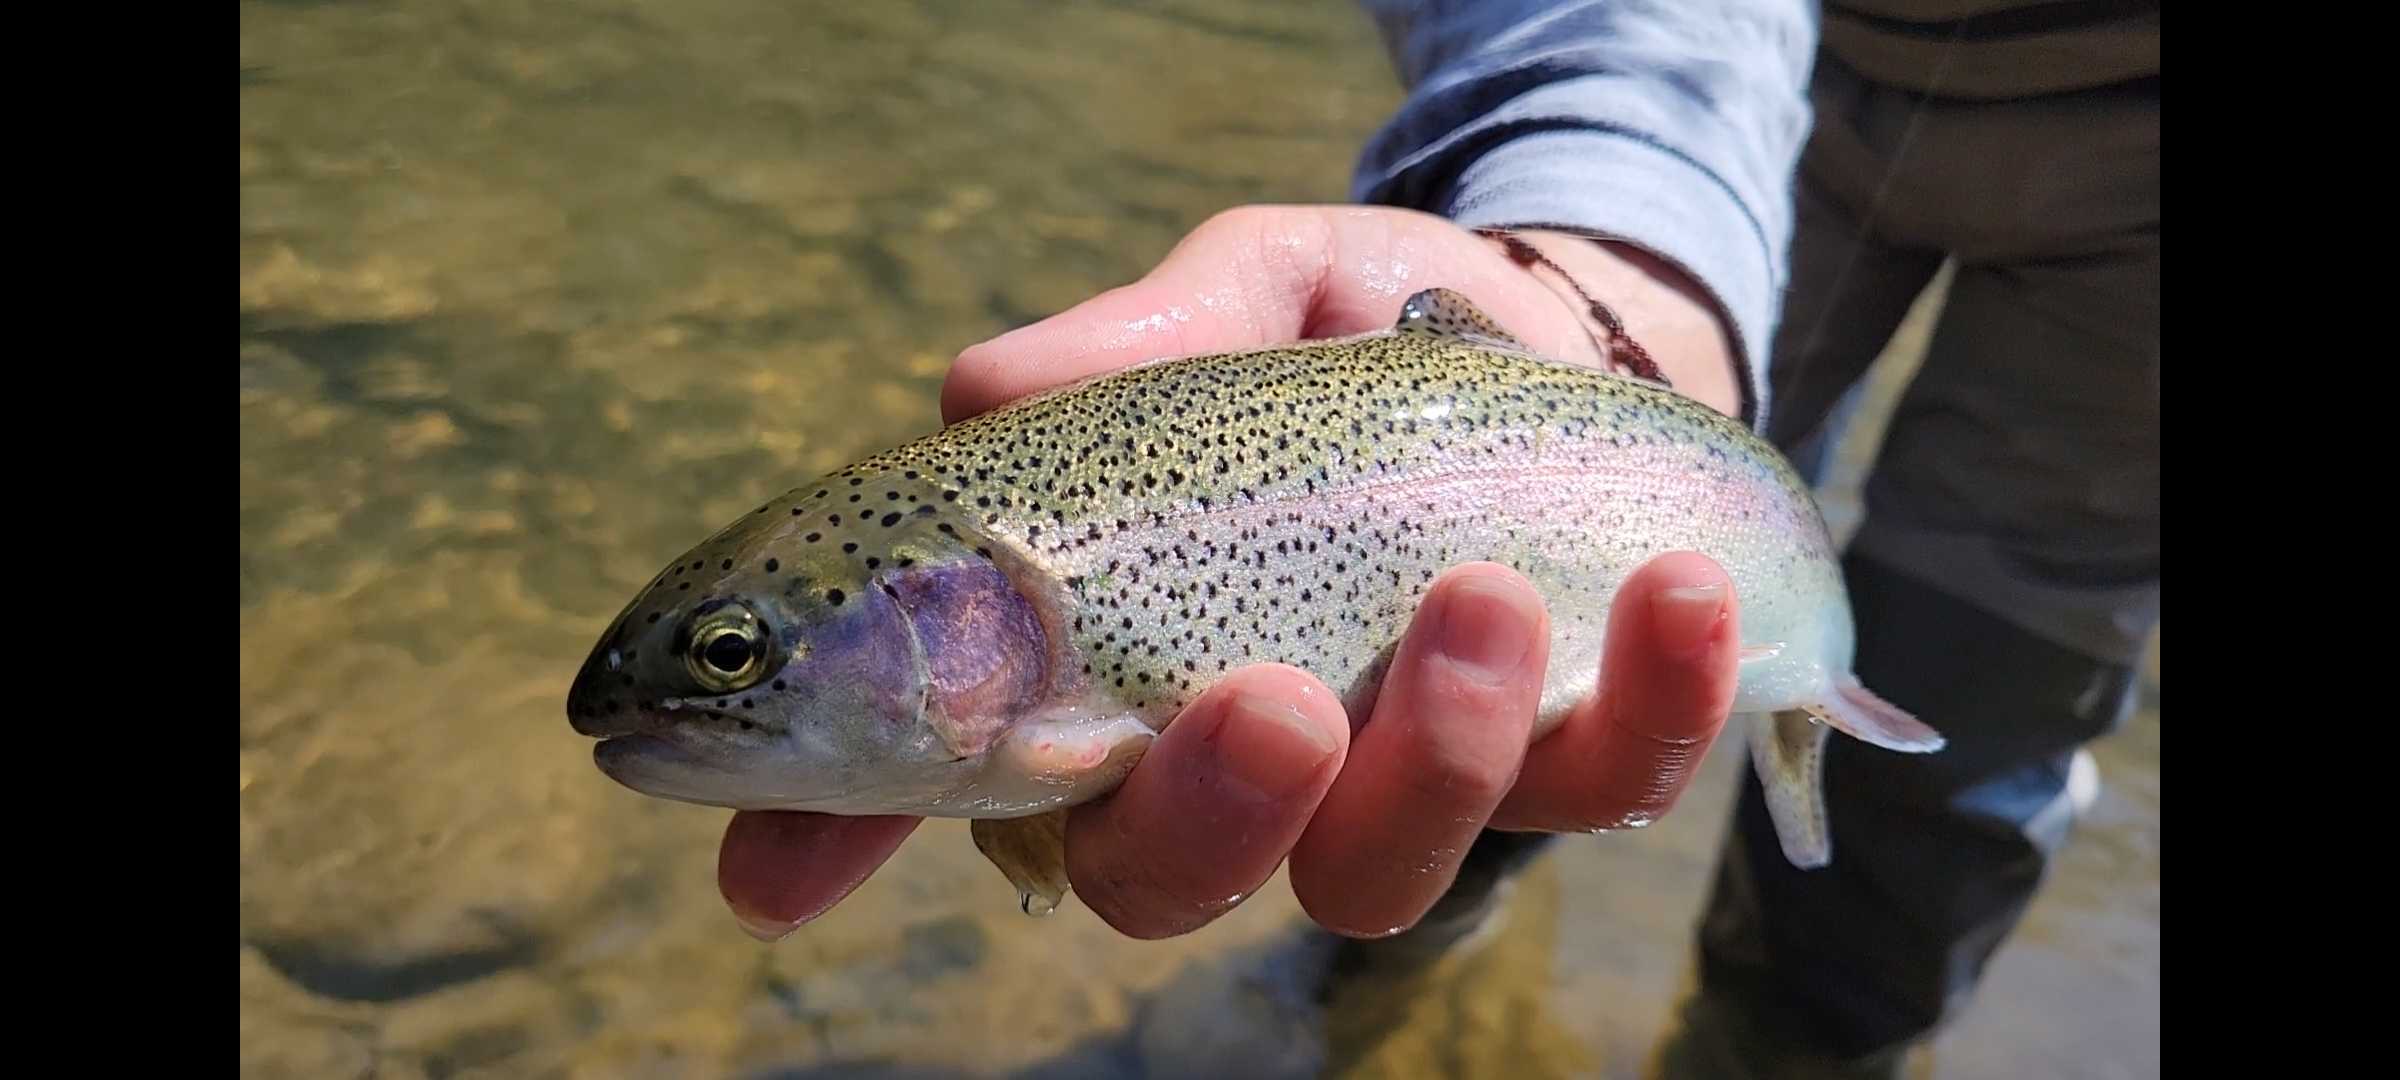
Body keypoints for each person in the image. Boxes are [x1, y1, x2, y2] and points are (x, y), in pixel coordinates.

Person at [714, 1, 2159, 1076]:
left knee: (1991, 684)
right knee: (1468, 698)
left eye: (735, 657)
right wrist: (1605, 236)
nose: (710, 690)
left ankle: (1804, 1050)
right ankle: (1376, 985)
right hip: (1710, 49)